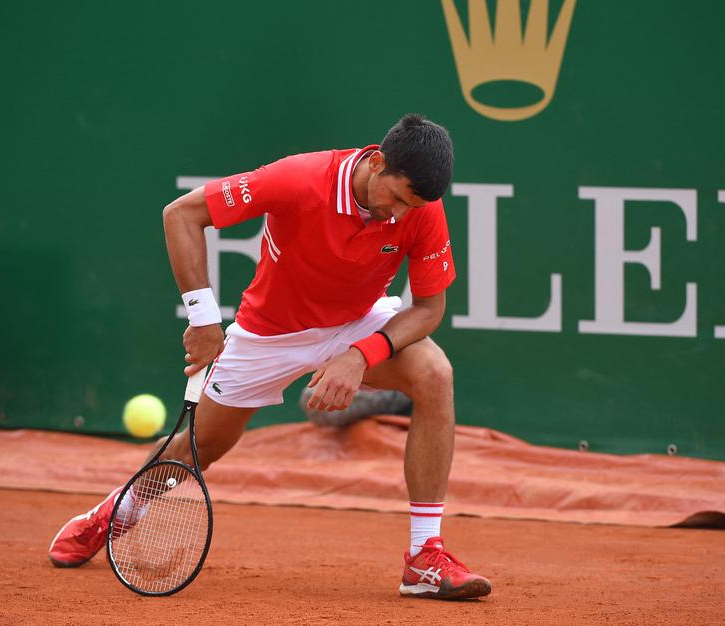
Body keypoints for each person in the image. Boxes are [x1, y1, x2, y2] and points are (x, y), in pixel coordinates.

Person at [48, 114, 491, 600]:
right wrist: (202, 319)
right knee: (198, 450)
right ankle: (116, 512)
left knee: (435, 374)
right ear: (378, 163)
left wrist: (360, 356)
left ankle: (424, 556)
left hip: (356, 322)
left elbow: (429, 309)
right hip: (267, 335)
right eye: (399, 198)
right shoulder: (300, 178)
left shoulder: (421, 208)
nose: (402, 215)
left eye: (416, 206)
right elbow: (181, 214)